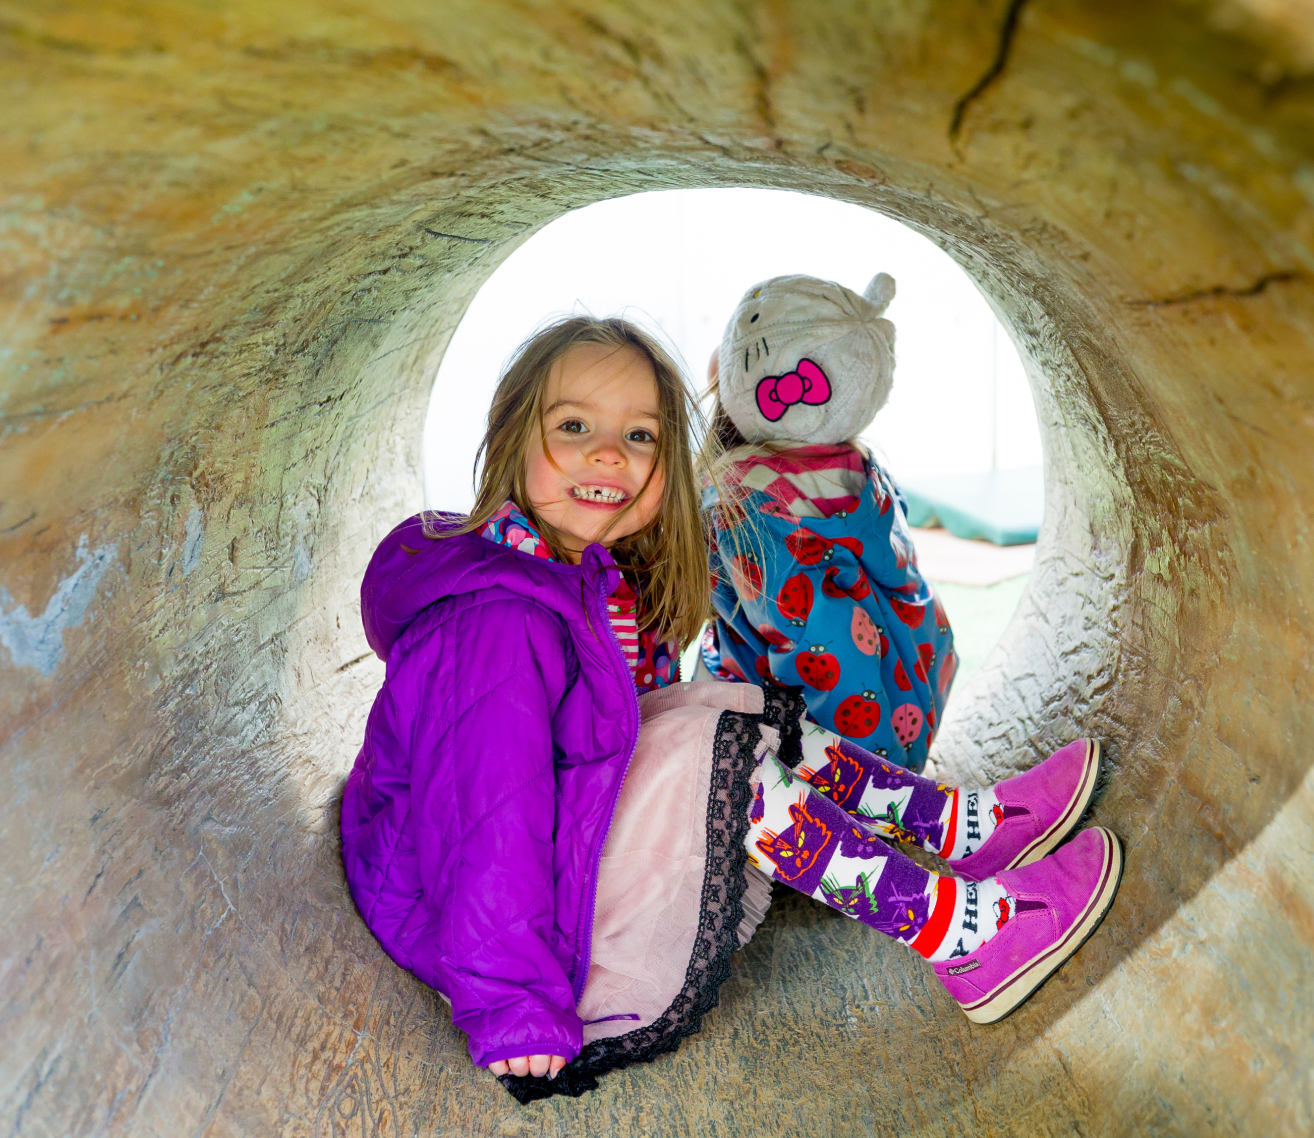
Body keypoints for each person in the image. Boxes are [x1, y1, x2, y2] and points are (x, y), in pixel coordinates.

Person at [339, 314, 1123, 1105]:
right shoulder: (497, 625)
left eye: (640, 436)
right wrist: (512, 1006)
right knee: (711, 751)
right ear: (511, 437)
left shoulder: (575, 572)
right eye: (573, 426)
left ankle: (954, 830)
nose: (609, 452)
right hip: (490, 935)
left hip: (541, 867)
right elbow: (486, 823)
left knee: (708, 709)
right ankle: (963, 936)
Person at [701, 272, 953, 772]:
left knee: (819, 642)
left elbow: (820, 639)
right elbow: (906, 589)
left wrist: (868, 773)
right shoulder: (861, 466)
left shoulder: (737, 492)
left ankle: (869, 771)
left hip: (816, 734)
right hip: (907, 694)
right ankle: (885, 764)